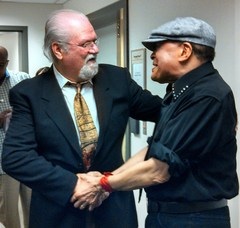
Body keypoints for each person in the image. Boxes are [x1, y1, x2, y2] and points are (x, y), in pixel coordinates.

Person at [71, 17, 239, 228]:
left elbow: (158, 170)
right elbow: (155, 150)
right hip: (169, 216)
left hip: (192, 219)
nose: (152, 54)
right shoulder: (181, 92)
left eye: (157, 47)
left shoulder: (207, 96)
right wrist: (110, 176)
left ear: (184, 51)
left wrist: (102, 185)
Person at [2, 9, 162, 228]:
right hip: (58, 212)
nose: (95, 49)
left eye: (95, 41)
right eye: (86, 44)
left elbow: (166, 115)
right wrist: (73, 184)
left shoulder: (117, 80)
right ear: (58, 49)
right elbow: (16, 157)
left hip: (114, 211)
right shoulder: (28, 93)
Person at [0, 46, 31, 228]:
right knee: (9, 215)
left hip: (29, 157)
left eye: (0, 64)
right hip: (2, 163)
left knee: (34, 208)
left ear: (7, 62)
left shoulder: (23, 79)